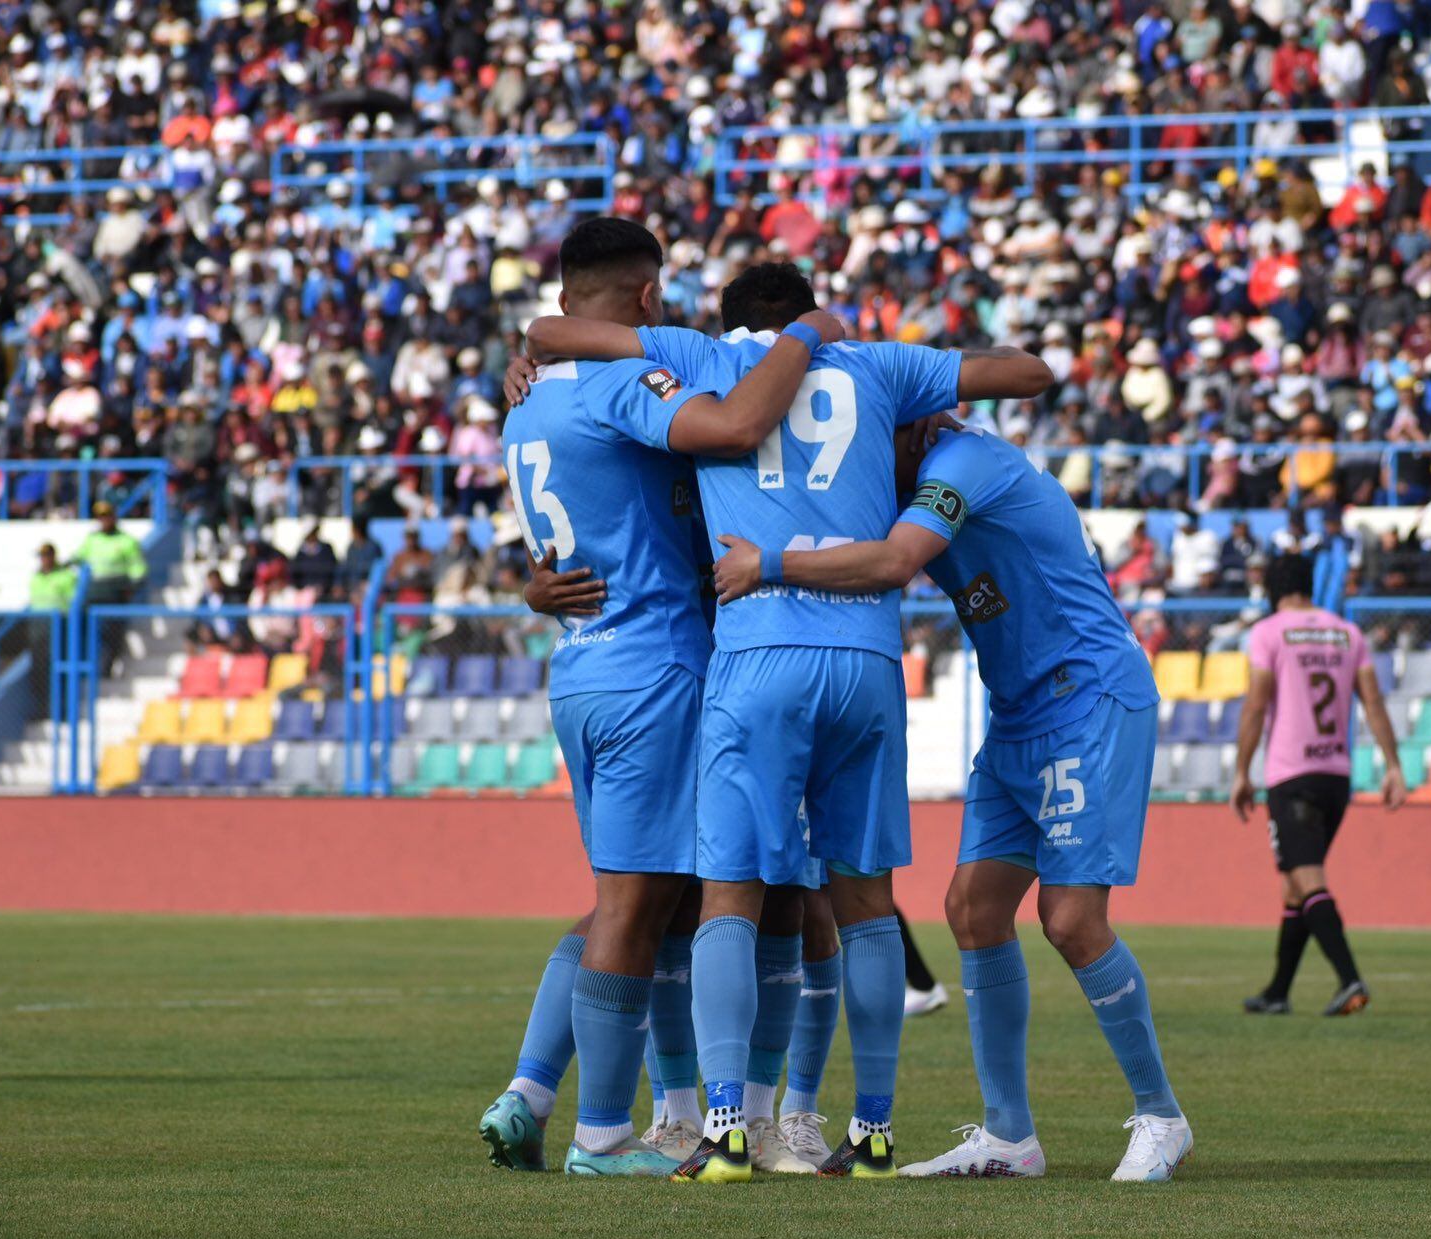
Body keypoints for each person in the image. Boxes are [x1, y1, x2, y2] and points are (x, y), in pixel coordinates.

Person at [522, 260, 1053, 1180]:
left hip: (757, 653)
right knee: (865, 904)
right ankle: (874, 1132)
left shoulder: (695, 356)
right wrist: (885, 362)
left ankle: (725, 1129)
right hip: (865, 660)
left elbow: (553, 332)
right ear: (806, 310)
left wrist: (522, 365)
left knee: (728, 896)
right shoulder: (878, 365)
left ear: (730, 321)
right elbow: (1027, 372)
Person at [712, 422, 1191, 1183]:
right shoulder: (919, 476)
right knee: (972, 907)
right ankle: (1009, 1137)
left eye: (880, 427)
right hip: (1020, 712)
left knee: (1070, 920)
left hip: (1087, 699)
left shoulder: (965, 462)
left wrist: (764, 563)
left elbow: (897, 563)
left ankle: (1162, 1117)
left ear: (920, 425)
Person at [475, 217, 832, 1177]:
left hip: (583, 667)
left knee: (641, 900)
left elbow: (581, 523)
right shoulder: (621, 382)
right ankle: (604, 1136)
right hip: (658, 664)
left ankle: (535, 1092)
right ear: (644, 298)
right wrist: (809, 334)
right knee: (650, 903)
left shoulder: (528, 402)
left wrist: (529, 588)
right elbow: (734, 426)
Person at [1232, 554, 1408, 1016]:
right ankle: (1277, 992)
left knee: (1308, 880)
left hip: (1292, 776)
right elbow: (1372, 702)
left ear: (1273, 587)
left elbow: (1255, 705)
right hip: (1336, 776)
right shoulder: (1348, 634)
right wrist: (1393, 765)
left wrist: (1240, 771)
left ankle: (1350, 980)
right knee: (1296, 884)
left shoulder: (1269, 632)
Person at [73, 501, 147, 674]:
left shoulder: (126, 540)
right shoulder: (93, 539)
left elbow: (137, 567)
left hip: (116, 589)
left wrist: (133, 586)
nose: (104, 521)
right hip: (97, 588)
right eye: (100, 517)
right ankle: (88, 660)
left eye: (107, 516)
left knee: (114, 629)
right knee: (81, 620)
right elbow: (79, 556)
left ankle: (109, 663)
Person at [26, 543, 79, 718]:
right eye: (41, 556)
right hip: (38, 628)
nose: (44, 559)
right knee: (39, 671)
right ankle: (43, 708)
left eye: (46, 555)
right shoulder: (36, 577)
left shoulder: (65, 576)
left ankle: (60, 710)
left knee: (57, 670)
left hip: (58, 627)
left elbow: (72, 603)